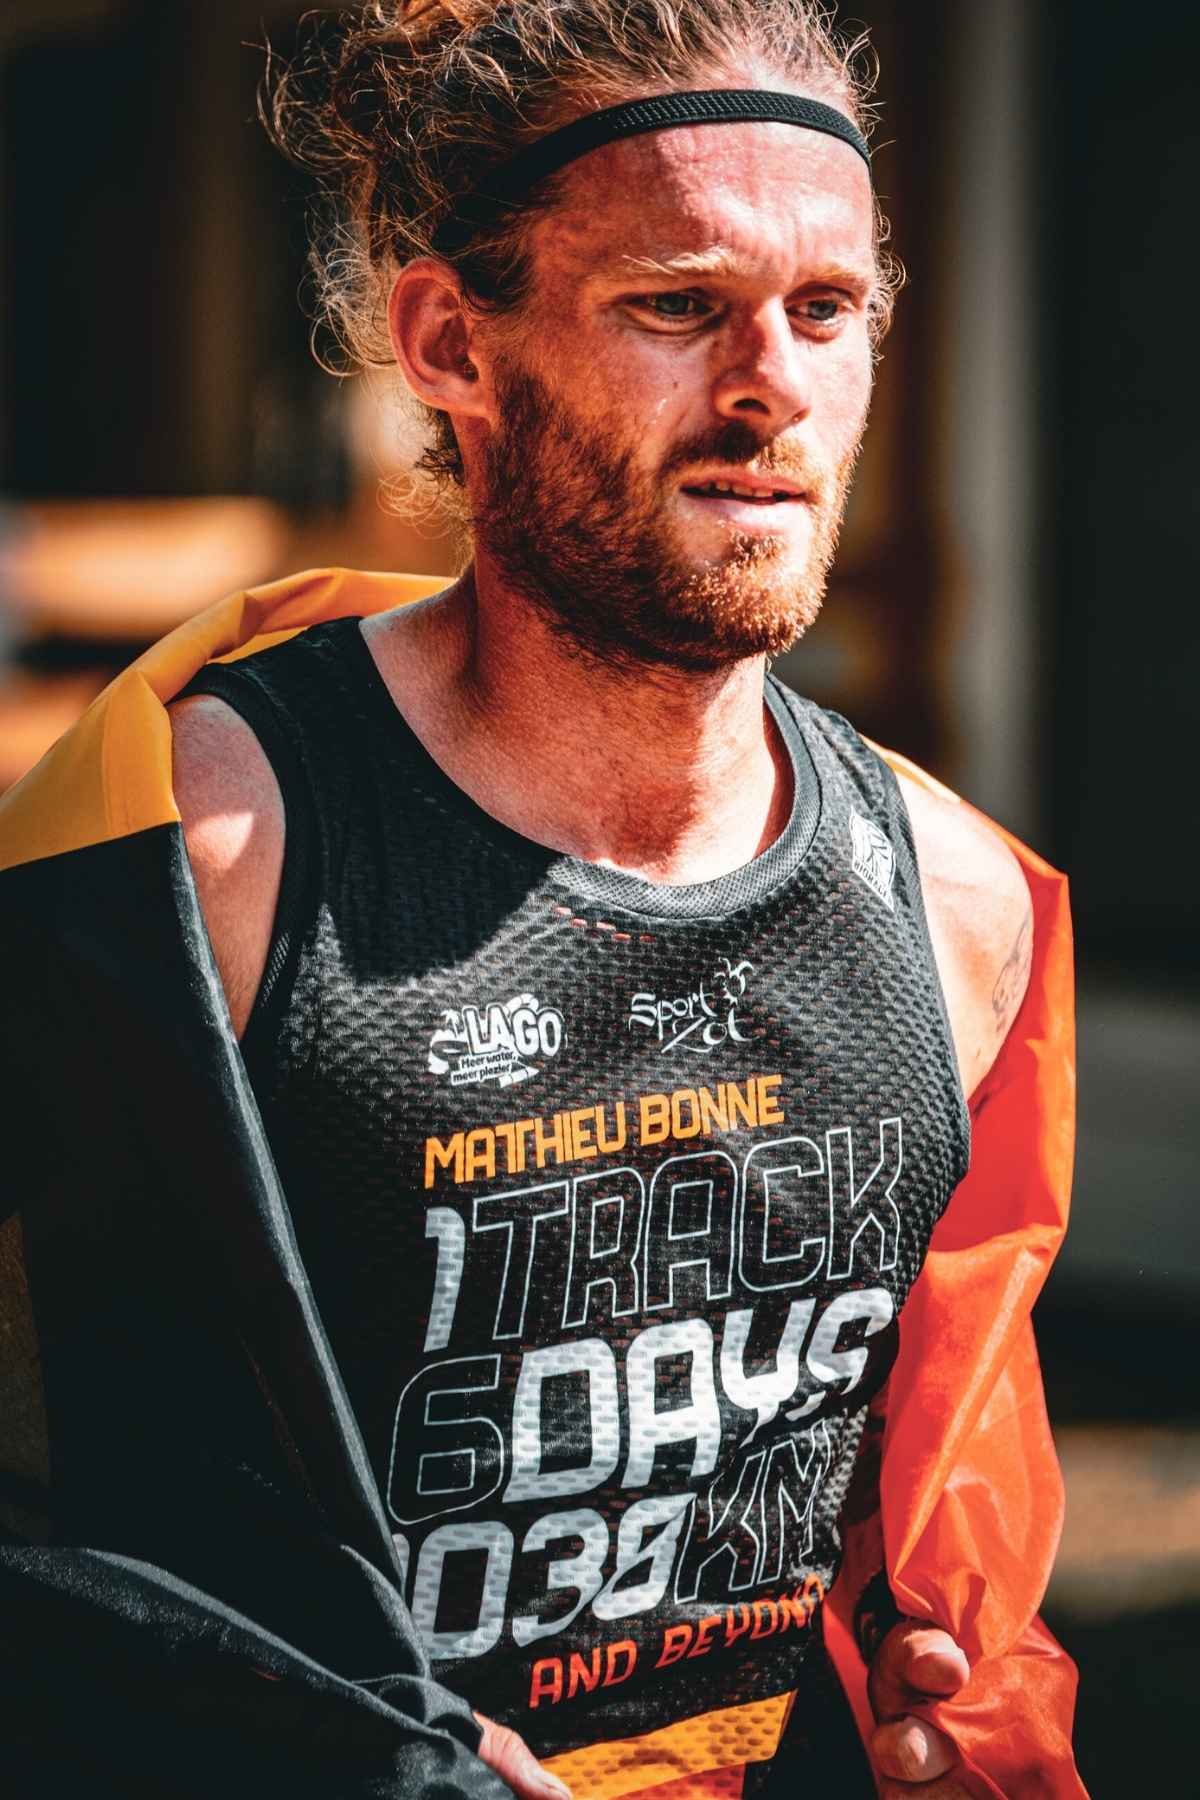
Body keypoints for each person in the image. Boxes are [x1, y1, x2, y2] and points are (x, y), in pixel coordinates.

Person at [0, 3, 1084, 1797]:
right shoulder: (204, 863)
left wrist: (947, 1700)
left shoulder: (957, 909)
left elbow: (954, 1540)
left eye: (829, 310)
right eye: (677, 304)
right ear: (451, 343)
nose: (771, 383)